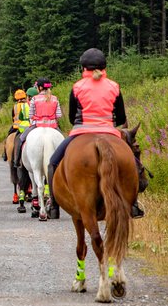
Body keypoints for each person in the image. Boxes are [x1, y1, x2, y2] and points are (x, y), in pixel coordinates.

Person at [43, 49, 146, 219]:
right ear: (104, 66)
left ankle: (53, 206)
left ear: (83, 68)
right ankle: (133, 205)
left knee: (53, 162)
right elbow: (120, 117)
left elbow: (71, 117)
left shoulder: (77, 87)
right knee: (133, 163)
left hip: (81, 132)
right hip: (109, 132)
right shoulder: (114, 86)